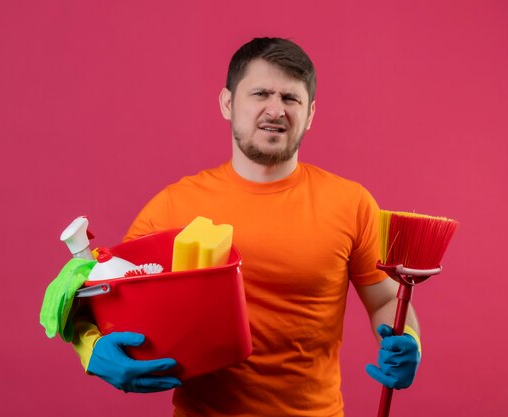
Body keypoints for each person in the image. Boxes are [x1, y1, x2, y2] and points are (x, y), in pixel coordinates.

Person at [71, 37, 421, 417]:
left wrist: (410, 341)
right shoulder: (173, 206)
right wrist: (92, 349)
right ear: (227, 103)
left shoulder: (351, 203)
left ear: (312, 113)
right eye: (261, 93)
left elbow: (386, 298)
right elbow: (104, 296)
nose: (276, 109)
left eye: (291, 99)